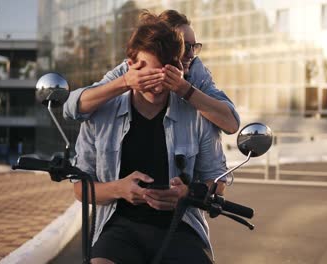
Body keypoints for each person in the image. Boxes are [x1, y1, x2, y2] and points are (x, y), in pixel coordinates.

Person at [73, 11, 228, 264]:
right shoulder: (100, 113)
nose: (156, 86)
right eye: (148, 75)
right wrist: (119, 189)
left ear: (179, 69)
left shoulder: (199, 113)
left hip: (182, 228)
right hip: (118, 228)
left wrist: (187, 193)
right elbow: (80, 189)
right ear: (130, 66)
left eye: (165, 76)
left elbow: (218, 181)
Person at [64, 10, 240, 134]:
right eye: (185, 46)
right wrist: (125, 82)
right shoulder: (132, 68)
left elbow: (231, 124)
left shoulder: (196, 71)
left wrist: (184, 89)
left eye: (194, 46)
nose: (191, 54)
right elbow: (70, 108)